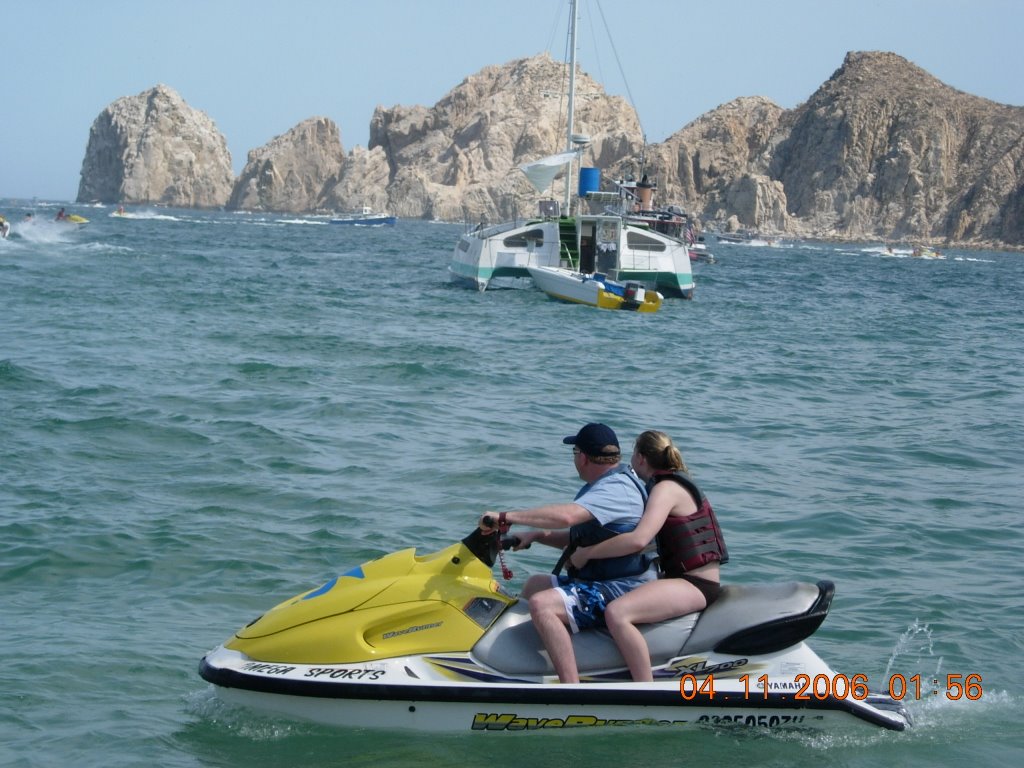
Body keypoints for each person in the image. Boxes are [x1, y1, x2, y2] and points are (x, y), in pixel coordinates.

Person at [479, 422, 653, 683]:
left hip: (621, 586)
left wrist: (506, 516)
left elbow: (567, 517)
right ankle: (522, 663)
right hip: (603, 580)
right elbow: (581, 537)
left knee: (542, 604)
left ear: (582, 457)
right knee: (536, 584)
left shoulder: (616, 489)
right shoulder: (611, 483)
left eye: (574, 453)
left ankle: (570, 688)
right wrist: (536, 536)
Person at [569, 430, 728, 682]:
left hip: (694, 585)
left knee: (617, 613)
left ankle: (644, 689)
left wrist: (588, 553)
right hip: (683, 580)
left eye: (632, 454)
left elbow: (639, 540)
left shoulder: (665, 489)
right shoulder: (669, 484)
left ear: (641, 458)